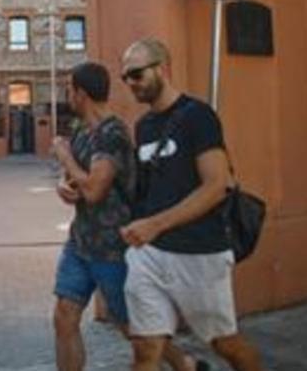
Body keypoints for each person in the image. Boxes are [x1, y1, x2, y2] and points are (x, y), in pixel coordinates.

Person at [118, 38, 263, 371]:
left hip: (200, 251)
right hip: (150, 254)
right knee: (145, 349)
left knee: (226, 345)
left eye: (136, 74)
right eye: (125, 77)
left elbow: (216, 186)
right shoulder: (143, 126)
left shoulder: (198, 116)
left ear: (163, 69)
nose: (130, 83)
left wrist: (155, 224)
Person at [52, 62, 204, 371]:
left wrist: (65, 156)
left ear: (81, 93)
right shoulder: (81, 131)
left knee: (132, 329)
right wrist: (64, 185)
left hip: (113, 247)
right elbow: (79, 181)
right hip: (80, 243)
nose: (67, 94)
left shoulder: (113, 133)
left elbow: (94, 189)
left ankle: (183, 364)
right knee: (64, 316)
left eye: (69, 88)